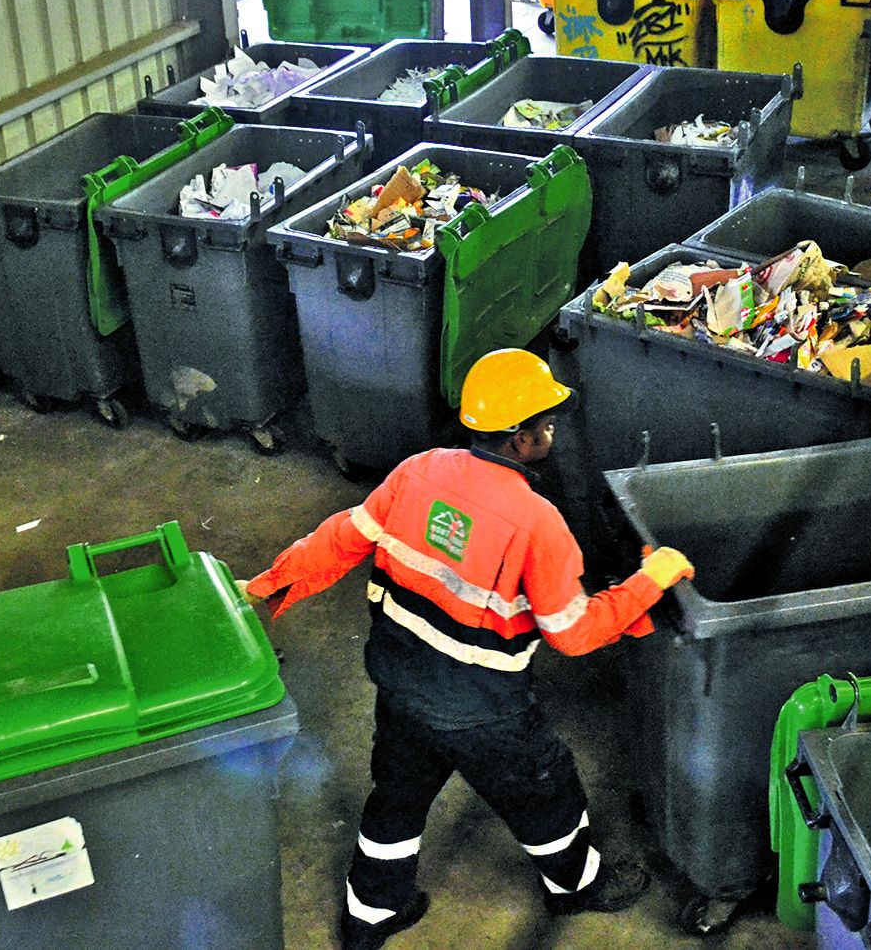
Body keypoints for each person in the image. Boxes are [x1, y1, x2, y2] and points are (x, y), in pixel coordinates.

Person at [244, 348, 695, 949]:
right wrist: (652, 580)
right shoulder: (539, 523)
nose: (551, 430)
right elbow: (574, 633)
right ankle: (579, 887)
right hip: (485, 709)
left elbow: (339, 541)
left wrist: (269, 583)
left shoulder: (419, 471)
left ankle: (370, 916)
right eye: (545, 421)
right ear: (519, 437)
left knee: (397, 799)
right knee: (548, 791)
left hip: (402, 686)